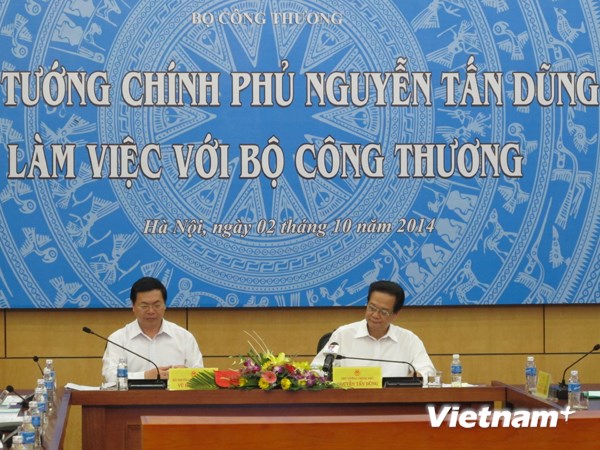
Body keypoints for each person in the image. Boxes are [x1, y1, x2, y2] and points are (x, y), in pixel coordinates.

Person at [312, 280, 435, 378]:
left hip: (393, 400)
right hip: (349, 399)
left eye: (383, 312)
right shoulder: (342, 335)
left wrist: (414, 378)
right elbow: (317, 369)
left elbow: (428, 371)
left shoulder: (409, 340)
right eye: (372, 308)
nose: (375, 315)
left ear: (395, 314)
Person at [102, 276, 203, 383]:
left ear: (164, 305)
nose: (151, 311)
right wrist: (145, 376)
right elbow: (111, 376)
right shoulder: (118, 339)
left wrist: (185, 373)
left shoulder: (184, 337)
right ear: (133, 306)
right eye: (144, 306)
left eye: (157, 305)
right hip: (134, 394)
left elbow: (201, 377)